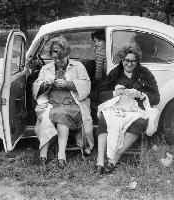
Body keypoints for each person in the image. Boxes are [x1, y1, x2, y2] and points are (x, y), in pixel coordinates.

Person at [96, 45, 160, 174]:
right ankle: (100, 159)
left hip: (137, 111)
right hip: (117, 108)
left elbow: (156, 98)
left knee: (140, 123)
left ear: (137, 61)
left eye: (133, 61)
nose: (129, 63)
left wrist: (140, 95)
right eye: (126, 60)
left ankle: (115, 157)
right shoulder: (115, 72)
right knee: (104, 119)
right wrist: (115, 93)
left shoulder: (145, 73)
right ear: (121, 60)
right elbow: (101, 94)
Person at [33, 36, 94, 168]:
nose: (57, 61)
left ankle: (57, 154)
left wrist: (68, 84)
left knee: (59, 114)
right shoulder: (46, 69)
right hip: (52, 104)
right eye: (54, 58)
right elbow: (36, 86)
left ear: (66, 54)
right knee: (49, 114)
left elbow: (86, 86)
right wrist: (45, 85)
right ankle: (49, 155)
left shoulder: (78, 66)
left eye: (60, 59)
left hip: (73, 105)